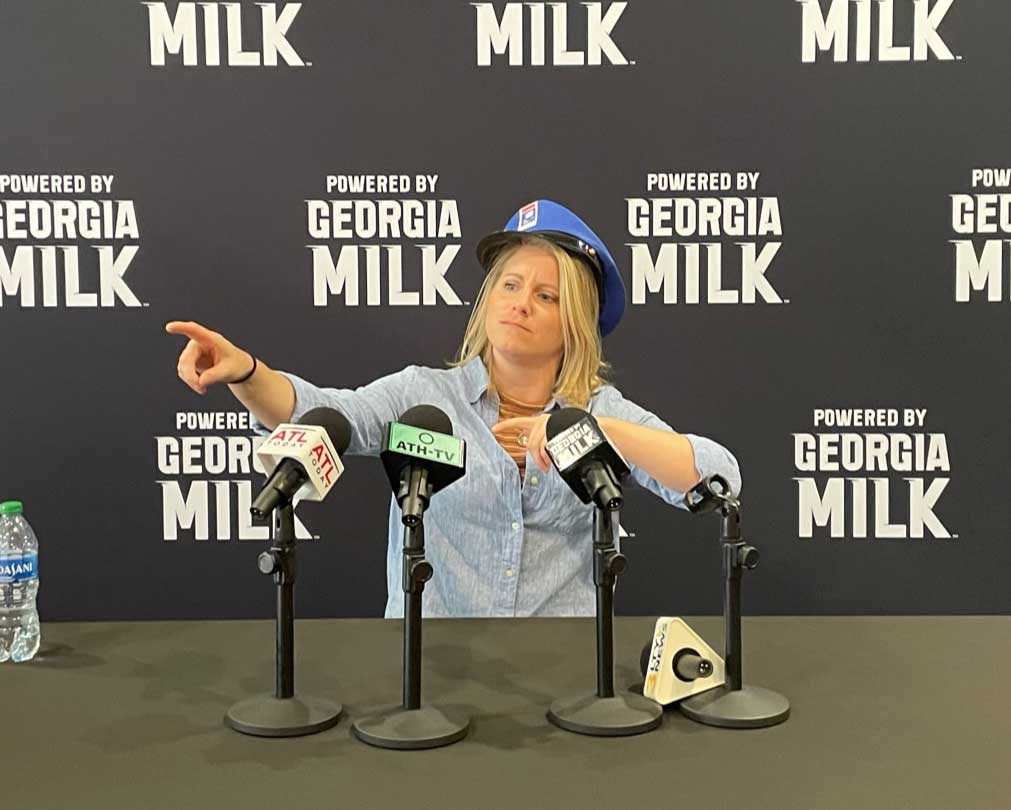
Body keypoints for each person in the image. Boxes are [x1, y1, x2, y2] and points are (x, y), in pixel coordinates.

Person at [167, 199, 741, 618]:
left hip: (563, 678)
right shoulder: (424, 395)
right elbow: (316, 413)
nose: (521, 304)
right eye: (510, 285)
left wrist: (594, 430)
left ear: (577, 321)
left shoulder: (601, 410)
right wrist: (244, 371)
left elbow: (718, 475)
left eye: (546, 295)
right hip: (430, 667)